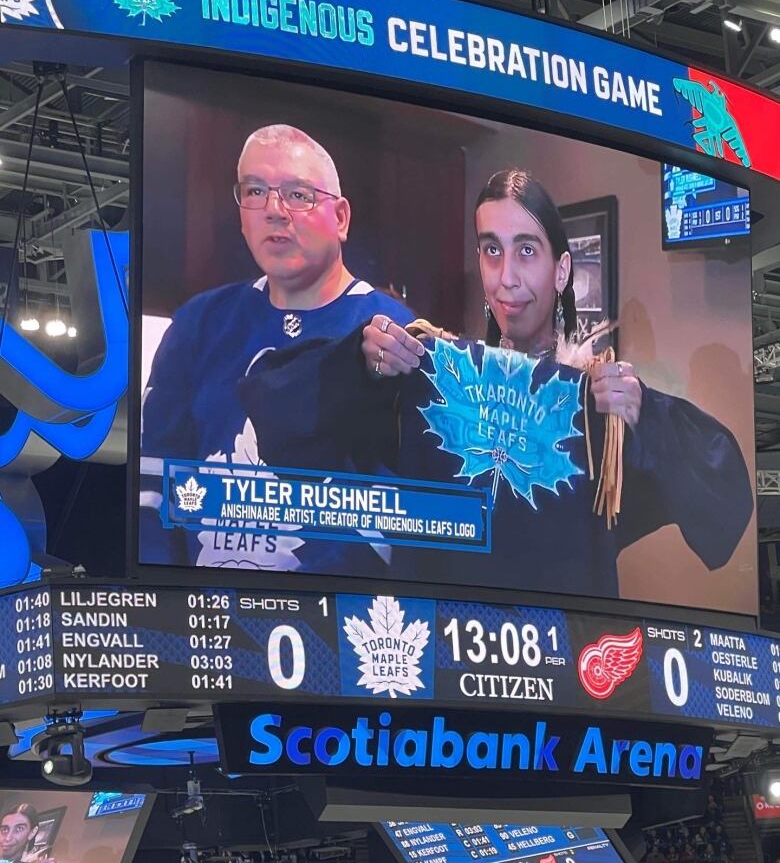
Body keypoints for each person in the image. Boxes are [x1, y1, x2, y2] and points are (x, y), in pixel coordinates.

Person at [243, 168, 752, 599]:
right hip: (437, 662)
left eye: (527, 250)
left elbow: (726, 499)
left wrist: (645, 417)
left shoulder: (598, 406)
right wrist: (357, 365)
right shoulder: (430, 379)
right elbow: (276, 411)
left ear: (562, 271)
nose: (506, 277)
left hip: (567, 671)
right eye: (491, 250)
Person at [140, 124, 411, 574]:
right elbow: (150, 492)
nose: (273, 210)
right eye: (255, 191)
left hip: (345, 622)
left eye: (298, 195)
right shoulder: (198, 323)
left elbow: (413, 514)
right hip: (205, 619)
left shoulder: (395, 332)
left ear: (340, 218)